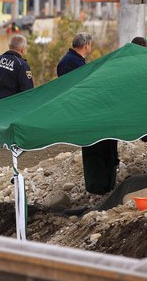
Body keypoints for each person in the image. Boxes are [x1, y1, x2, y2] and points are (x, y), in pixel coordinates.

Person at [58, 32, 118, 195]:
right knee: (96, 151)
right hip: (83, 113)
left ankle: (102, 184)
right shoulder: (73, 63)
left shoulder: (71, 61)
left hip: (83, 112)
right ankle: (100, 186)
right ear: (86, 45)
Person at [0, 35, 33, 103]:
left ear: (9, 46)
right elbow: (27, 91)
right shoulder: (21, 64)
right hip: (11, 108)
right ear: (22, 49)